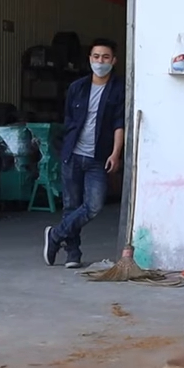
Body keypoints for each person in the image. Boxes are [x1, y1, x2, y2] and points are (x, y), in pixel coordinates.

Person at [44, 39, 126, 269]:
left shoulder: (119, 89)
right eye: (96, 56)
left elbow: (119, 123)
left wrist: (115, 153)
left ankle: (55, 235)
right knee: (71, 206)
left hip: (98, 157)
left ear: (114, 61)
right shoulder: (77, 87)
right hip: (73, 154)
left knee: (94, 205)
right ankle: (73, 253)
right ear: (90, 59)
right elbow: (69, 119)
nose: (100, 61)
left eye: (105, 57)